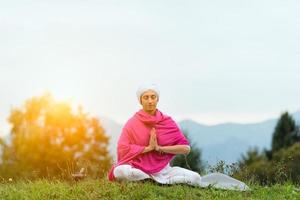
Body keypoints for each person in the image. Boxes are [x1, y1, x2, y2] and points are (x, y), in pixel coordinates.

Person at [107, 83, 249, 191]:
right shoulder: (132, 123)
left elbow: (185, 148)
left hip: (163, 170)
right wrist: (148, 148)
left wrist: (160, 148)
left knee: (196, 177)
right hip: (138, 167)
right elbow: (122, 147)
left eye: (153, 97)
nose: (150, 101)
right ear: (141, 101)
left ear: (157, 99)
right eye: (146, 97)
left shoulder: (167, 122)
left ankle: (154, 180)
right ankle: (149, 179)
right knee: (121, 170)